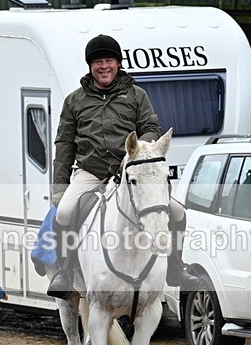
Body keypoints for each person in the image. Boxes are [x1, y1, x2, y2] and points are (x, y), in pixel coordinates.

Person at [47, 34, 198, 298]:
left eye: (108, 61)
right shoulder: (75, 100)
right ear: (90, 66)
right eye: (97, 62)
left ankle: (176, 266)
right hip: (91, 172)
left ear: (118, 64)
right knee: (64, 212)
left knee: (177, 212)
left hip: (130, 171)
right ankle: (66, 271)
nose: (103, 66)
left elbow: (151, 127)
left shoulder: (136, 95)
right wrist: (59, 188)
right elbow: (64, 144)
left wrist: (140, 150)